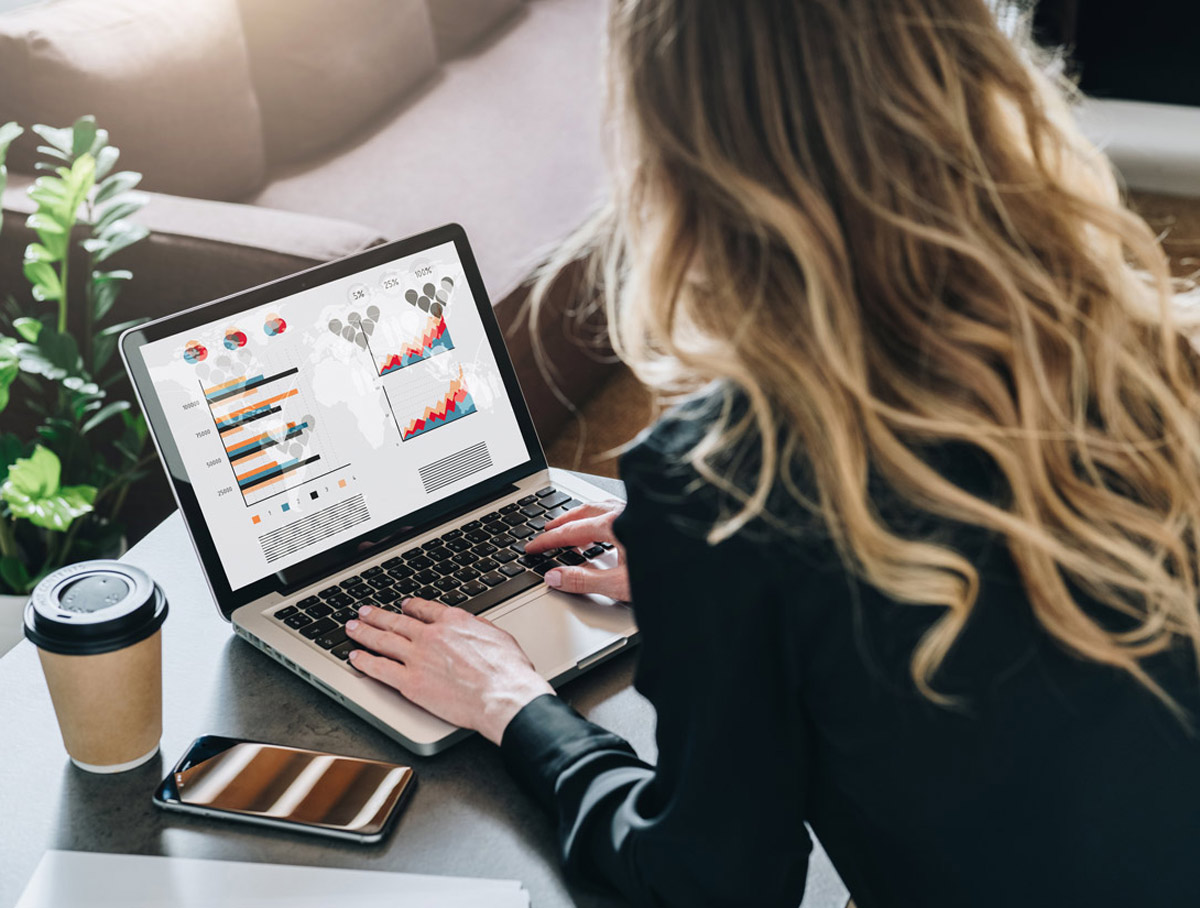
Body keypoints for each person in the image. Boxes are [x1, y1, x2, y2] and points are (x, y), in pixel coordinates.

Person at [346, 1, 1200, 905]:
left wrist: (514, 705)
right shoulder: (1154, 344)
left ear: (682, 152)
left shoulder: (724, 483)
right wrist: (727, 587)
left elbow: (709, 884)